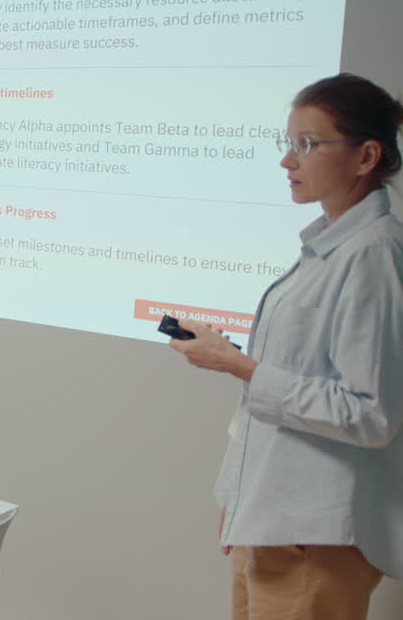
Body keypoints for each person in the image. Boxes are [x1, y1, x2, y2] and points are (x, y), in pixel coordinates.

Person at [170, 73, 403, 620]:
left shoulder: (374, 255)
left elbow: (371, 414)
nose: (288, 161)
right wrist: (238, 494)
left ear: (366, 156)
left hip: (316, 541)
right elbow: (283, 391)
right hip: (272, 523)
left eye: (308, 144)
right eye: (288, 143)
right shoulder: (330, 244)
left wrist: (238, 365)